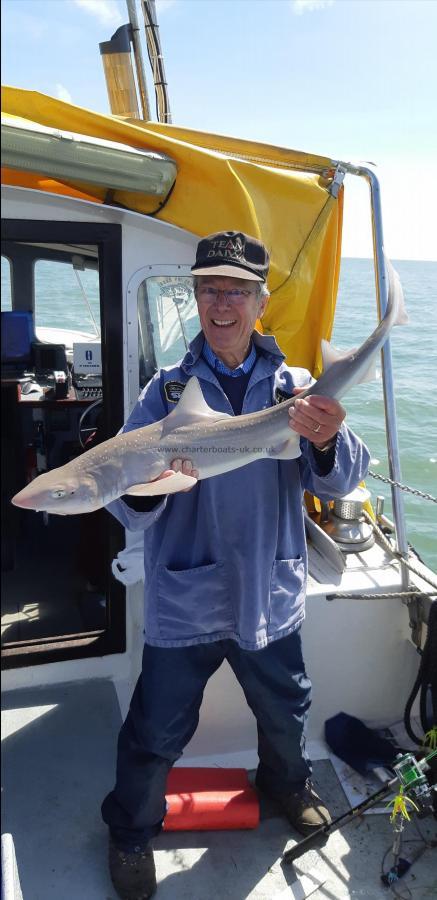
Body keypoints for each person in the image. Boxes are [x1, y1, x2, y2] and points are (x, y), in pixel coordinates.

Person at [102, 231, 370, 899]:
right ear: (193, 296)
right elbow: (127, 510)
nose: (221, 302)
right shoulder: (164, 393)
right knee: (153, 731)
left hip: (267, 592)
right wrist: (149, 480)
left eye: (236, 290)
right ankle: (132, 833)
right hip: (184, 598)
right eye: (208, 287)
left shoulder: (296, 388)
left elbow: (339, 485)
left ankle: (285, 786)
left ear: (260, 300)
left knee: (286, 711)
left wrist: (329, 437)